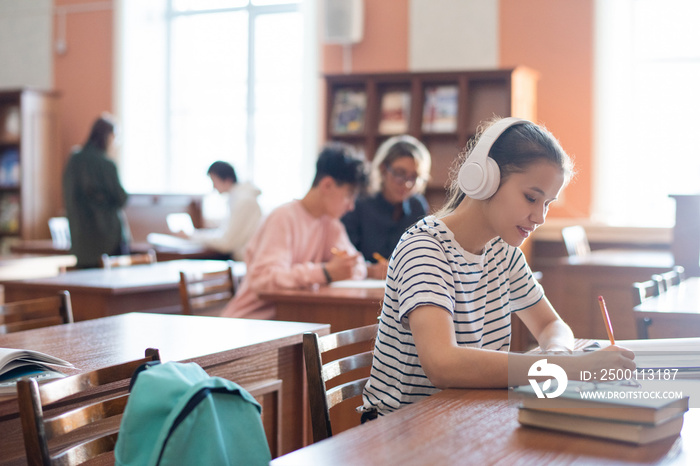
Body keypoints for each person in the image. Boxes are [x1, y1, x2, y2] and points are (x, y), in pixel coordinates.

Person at [360, 117, 636, 418]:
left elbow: (550, 325)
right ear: (485, 178)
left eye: (547, 203)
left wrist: (557, 352)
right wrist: (562, 368)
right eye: (531, 197)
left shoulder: (502, 252)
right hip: (401, 430)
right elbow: (442, 364)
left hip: (466, 418)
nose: (540, 217)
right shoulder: (425, 248)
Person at [221, 142, 369, 319]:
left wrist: (344, 268)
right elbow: (263, 279)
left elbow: (355, 265)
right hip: (252, 323)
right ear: (327, 185)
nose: (351, 206)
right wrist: (326, 272)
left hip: (293, 321)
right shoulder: (283, 217)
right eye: (349, 195)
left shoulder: (331, 224)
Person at [341, 135, 431, 279]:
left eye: (414, 177)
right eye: (399, 173)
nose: (406, 184)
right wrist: (370, 270)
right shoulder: (359, 203)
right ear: (383, 169)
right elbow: (343, 256)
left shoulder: (417, 206)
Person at [63, 114, 129, 268]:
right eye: (115, 137)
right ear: (108, 137)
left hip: (81, 241)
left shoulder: (74, 160)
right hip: (107, 241)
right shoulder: (106, 164)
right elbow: (121, 198)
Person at [175, 161, 262, 261]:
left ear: (227, 180)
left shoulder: (243, 201)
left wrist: (192, 236)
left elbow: (226, 243)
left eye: (214, 181)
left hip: (244, 261)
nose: (213, 187)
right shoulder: (239, 198)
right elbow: (226, 235)